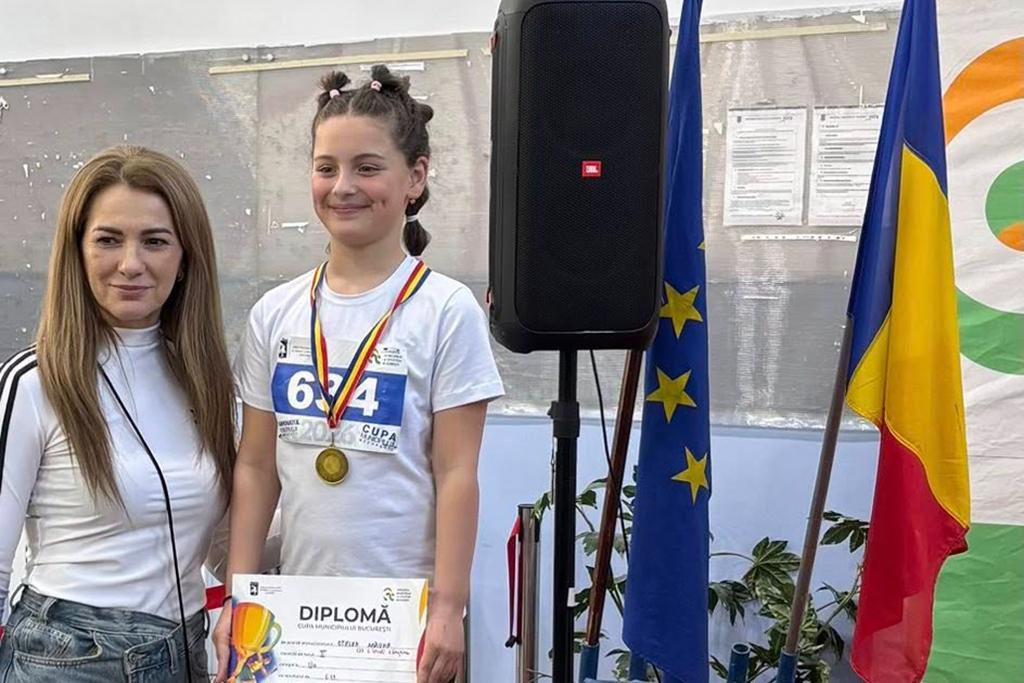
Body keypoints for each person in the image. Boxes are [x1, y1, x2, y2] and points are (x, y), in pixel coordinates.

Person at [213, 65, 504, 683]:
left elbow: (457, 473)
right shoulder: (276, 312)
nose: (343, 187)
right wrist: (239, 595)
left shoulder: (445, 310)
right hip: (294, 619)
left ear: (416, 177)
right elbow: (257, 467)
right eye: (327, 168)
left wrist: (449, 608)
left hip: (403, 623)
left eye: (367, 168)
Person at [0, 145, 237, 682]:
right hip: (66, 661)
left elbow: (222, 548)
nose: (131, 264)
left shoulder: (208, 383)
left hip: (185, 654)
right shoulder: (35, 383)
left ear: (186, 259)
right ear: (77, 253)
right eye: (108, 240)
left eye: (155, 241)